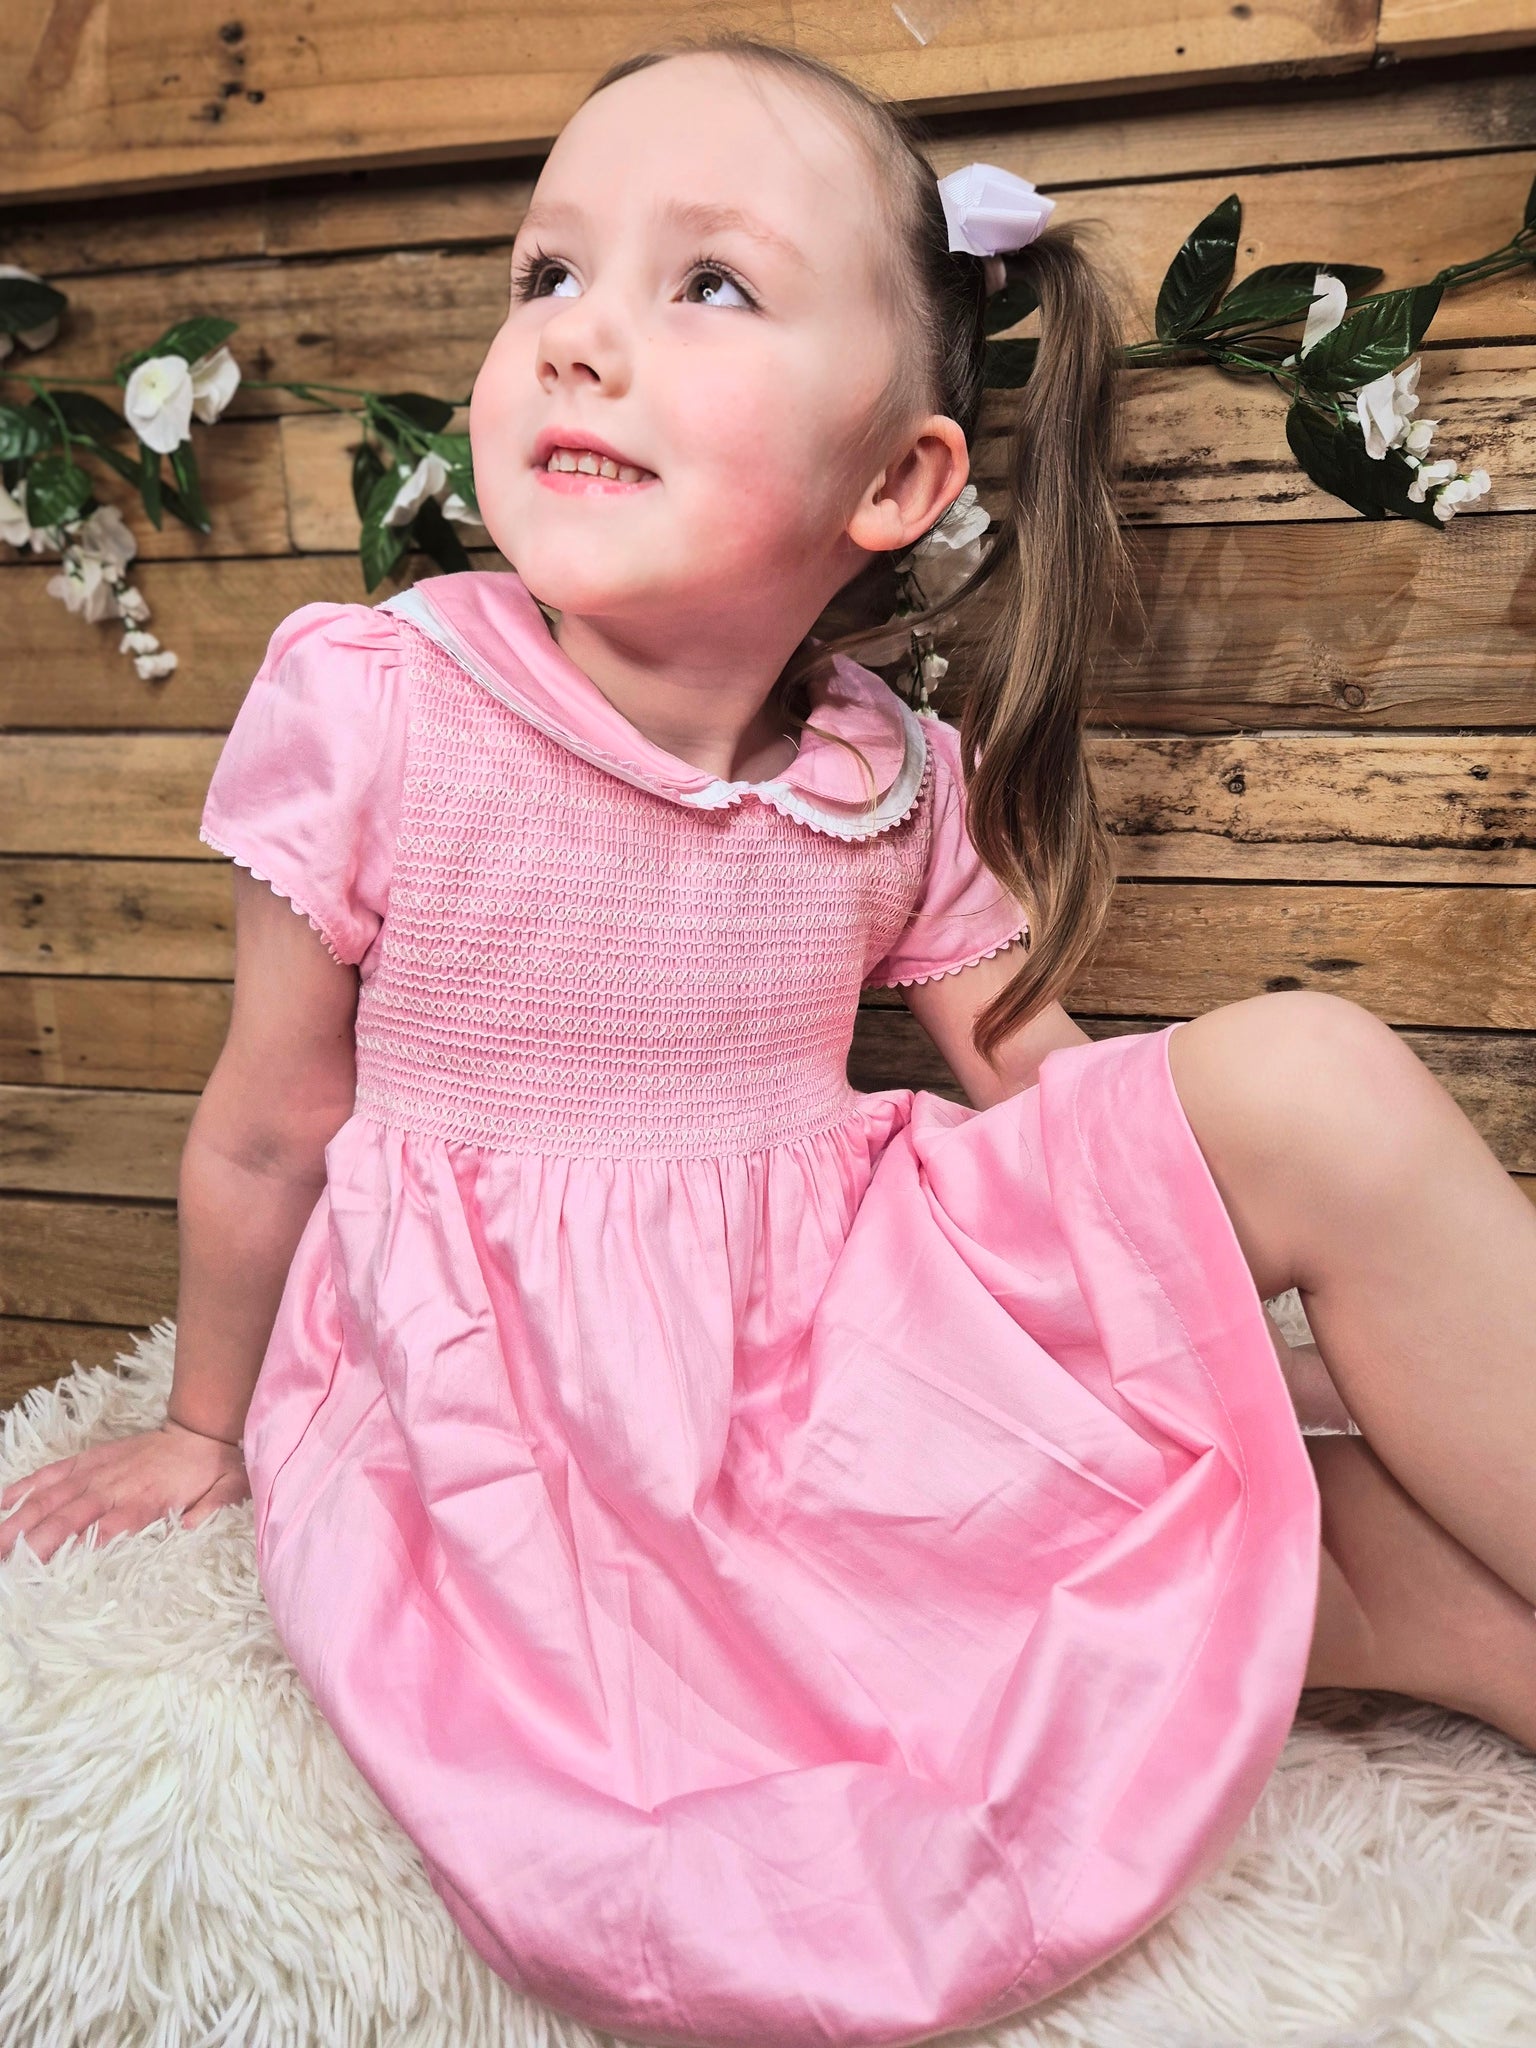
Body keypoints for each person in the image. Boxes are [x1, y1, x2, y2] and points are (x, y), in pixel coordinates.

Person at [5, 30, 1536, 2046]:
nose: (577, 336)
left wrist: (1215, 1310)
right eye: (549, 272)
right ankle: (1429, 1619)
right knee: (1190, 1552)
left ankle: (1446, 1600)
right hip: (552, 1417)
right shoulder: (380, 701)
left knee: (1310, 1085)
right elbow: (271, 1127)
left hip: (842, 1325)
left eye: (707, 282)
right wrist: (207, 1428)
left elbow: (1040, 1076)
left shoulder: (886, 775)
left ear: (895, 481)